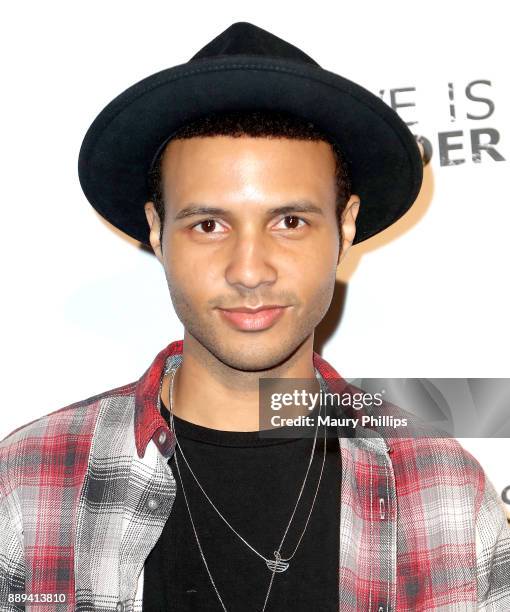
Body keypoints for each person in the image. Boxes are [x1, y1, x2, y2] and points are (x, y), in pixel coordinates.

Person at [1, 21, 509, 612]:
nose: (249, 270)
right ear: (157, 231)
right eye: (208, 225)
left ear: (345, 226)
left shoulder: (442, 493)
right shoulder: (30, 486)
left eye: (289, 222)